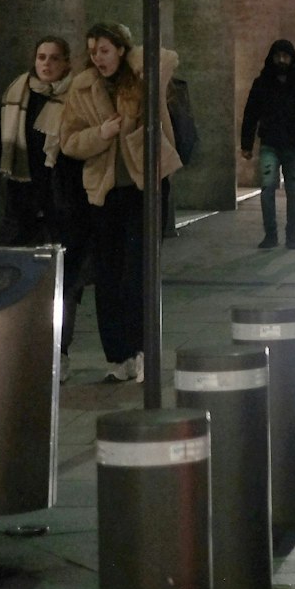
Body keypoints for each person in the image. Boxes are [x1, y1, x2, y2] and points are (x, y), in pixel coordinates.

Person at [60, 22, 181, 383]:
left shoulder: (142, 79)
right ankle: (118, 357)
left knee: (138, 275)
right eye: (93, 51)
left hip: (144, 190)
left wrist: (137, 58)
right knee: (109, 277)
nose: (98, 58)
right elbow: (68, 141)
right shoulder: (81, 88)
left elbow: (167, 59)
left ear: (122, 51)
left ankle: (142, 351)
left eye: (105, 50)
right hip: (103, 193)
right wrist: (102, 133)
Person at [0, 37, 90, 371]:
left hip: (64, 204)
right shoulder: (17, 94)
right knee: (8, 272)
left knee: (63, 283)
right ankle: (14, 346)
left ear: (67, 63)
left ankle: (59, 353)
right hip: (22, 203)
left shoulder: (77, 97)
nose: (47, 64)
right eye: (41, 57)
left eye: (54, 59)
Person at [238, 39, 295, 249]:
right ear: (272, 58)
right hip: (270, 144)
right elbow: (251, 113)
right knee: (267, 189)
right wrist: (246, 144)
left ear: (292, 58)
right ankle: (271, 235)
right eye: (278, 56)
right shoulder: (262, 83)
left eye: (285, 56)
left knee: (293, 189)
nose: (281, 60)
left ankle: (291, 235)